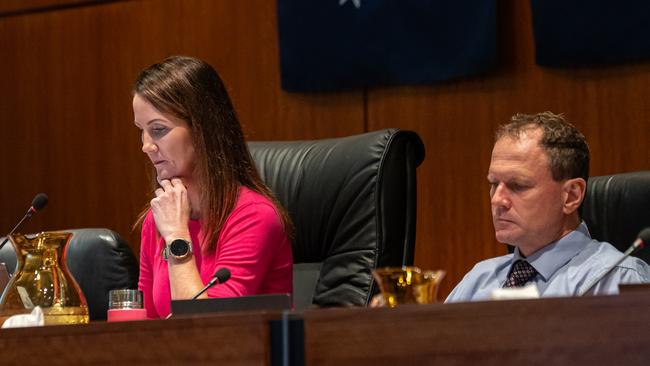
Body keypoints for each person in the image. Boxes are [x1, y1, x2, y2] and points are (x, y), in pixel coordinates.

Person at [133, 56, 293, 318]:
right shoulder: (158, 218)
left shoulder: (255, 217)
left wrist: (177, 238)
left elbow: (206, 329)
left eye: (158, 129)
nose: (146, 145)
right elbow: (147, 325)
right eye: (141, 130)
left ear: (201, 130)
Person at [446, 112, 650, 302]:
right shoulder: (478, 281)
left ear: (571, 196)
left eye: (517, 185)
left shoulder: (615, 280)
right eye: (493, 184)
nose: (497, 200)